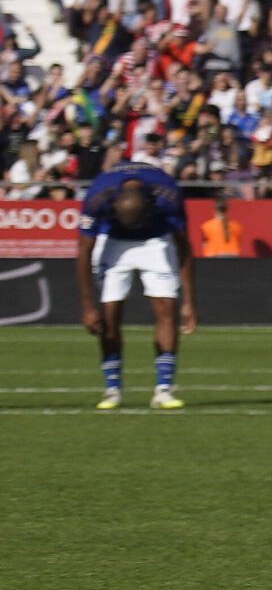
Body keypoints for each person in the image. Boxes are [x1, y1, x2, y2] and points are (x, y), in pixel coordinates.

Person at [74, 163, 196, 411]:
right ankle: (112, 390)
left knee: (166, 308)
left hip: (156, 240)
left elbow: (184, 247)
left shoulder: (168, 195)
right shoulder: (97, 196)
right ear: (115, 206)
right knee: (109, 314)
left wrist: (189, 302)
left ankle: (163, 390)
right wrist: (88, 306)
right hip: (113, 241)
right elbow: (83, 251)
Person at [198, 189, 244, 257]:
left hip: (214, 256)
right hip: (233, 256)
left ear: (214, 210)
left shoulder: (206, 226)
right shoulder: (237, 226)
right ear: (227, 210)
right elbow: (238, 242)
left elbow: (204, 244)